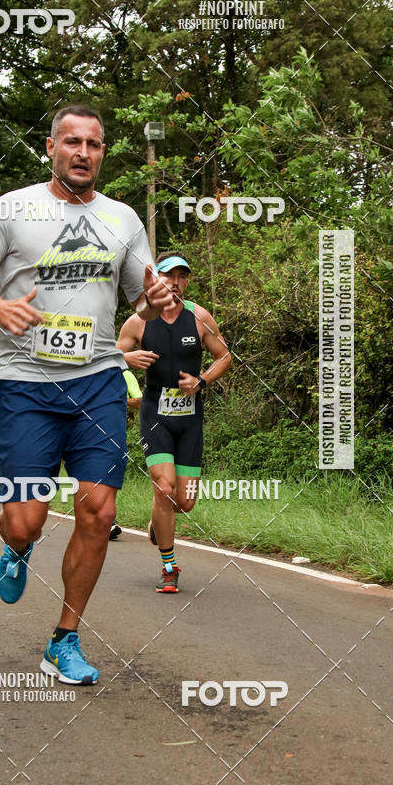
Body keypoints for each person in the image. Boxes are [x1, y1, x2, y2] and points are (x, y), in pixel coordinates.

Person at [0, 105, 172, 684]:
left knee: (99, 510)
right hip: (24, 386)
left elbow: (139, 296)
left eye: (94, 144)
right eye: (72, 142)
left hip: (95, 382)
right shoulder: (14, 209)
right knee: (25, 521)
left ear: (102, 152)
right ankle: (16, 547)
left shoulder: (122, 220)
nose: (83, 153)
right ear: (50, 148)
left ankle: (63, 640)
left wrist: (158, 296)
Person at [116, 252, 232, 592]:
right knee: (163, 489)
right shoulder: (138, 321)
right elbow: (108, 355)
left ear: (187, 281)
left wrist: (202, 381)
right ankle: (169, 566)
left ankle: (158, 522)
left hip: (190, 417)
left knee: (185, 501)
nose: (175, 282)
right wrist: (127, 357)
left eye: (182, 276)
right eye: (169, 276)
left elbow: (224, 355)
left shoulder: (199, 317)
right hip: (155, 413)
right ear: (155, 280)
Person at [108, 369, 142, 541]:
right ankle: (106, 521)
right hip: (87, 429)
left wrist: (120, 401)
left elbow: (140, 400)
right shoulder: (92, 370)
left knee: (110, 474)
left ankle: (107, 521)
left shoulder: (125, 374)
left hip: (115, 430)